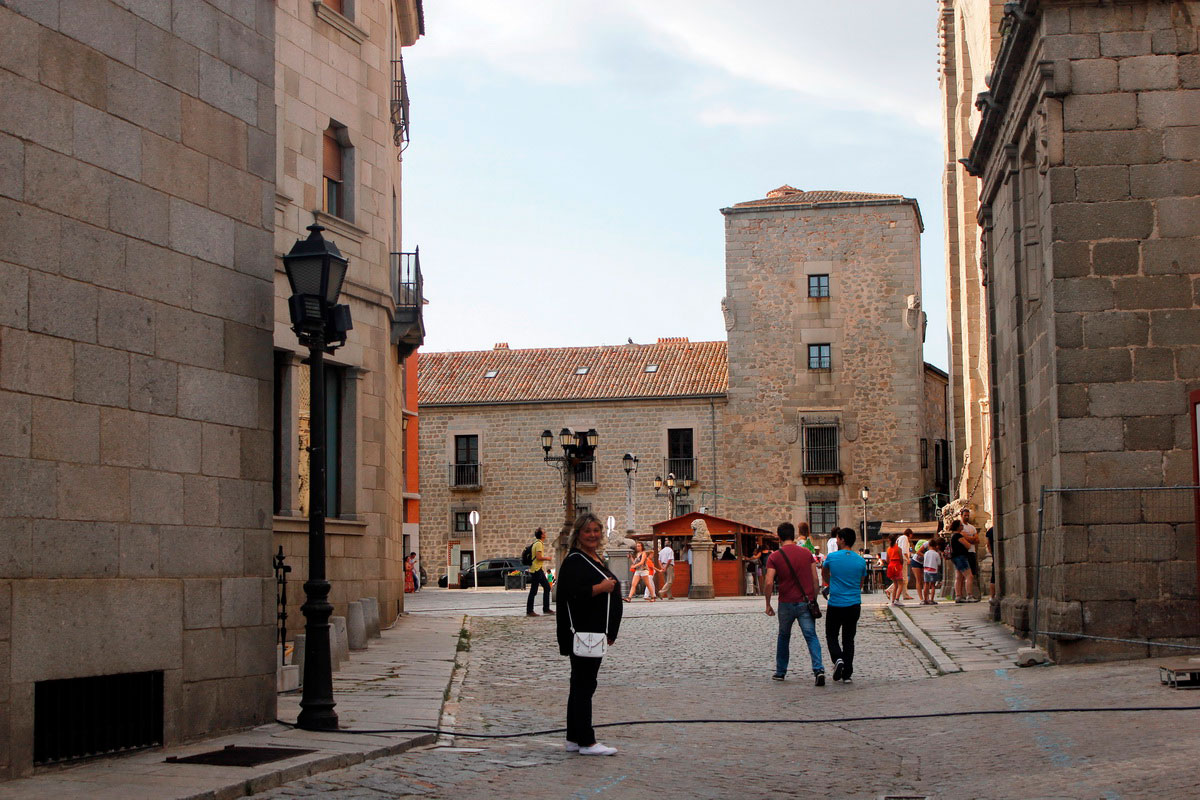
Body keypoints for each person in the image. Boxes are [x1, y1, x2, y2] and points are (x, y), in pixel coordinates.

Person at [556, 513, 623, 756]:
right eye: (588, 531)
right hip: (584, 633)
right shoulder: (575, 561)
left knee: (581, 685)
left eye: (596, 530)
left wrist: (611, 630)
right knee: (584, 686)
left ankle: (574, 737)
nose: (593, 535)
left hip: (595, 632)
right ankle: (587, 741)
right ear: (578, 534)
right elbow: (573, 594)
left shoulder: (594, 558)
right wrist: (602, 587)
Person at [763, 522, 825, 685]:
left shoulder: (775, 557)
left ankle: (780, 671)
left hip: (786, 602)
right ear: (793, 535)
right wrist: (813, 599)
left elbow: (769, 582)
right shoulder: (806, 554)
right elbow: (815, 579)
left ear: (779, 537)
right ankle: (818, 669)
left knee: (784, 636)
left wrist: (768, 603)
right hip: (805, 602)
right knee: (811, 636)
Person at [822, 527, 867, 683]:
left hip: (836, 603)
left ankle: (838, 659)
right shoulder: (860, 560)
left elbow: (824, 574)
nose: (836, 541)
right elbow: (860, 583)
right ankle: (847, 673)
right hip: (853, 604)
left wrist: (831, 583)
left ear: (842, 539)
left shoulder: (832, 557)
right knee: (848, 639)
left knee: (831, 635)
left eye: (837, 538)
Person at [526, 528, 554, 617]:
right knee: (533, 591)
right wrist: (547, 558)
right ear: (542, 535)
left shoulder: (537, 543)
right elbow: (539, 557)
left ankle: (546, 609)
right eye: (544, 532)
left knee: (547, 587)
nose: (545, 533)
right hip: (536, 570)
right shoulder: (539, 544)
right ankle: (530, 611)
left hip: (538, 569)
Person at [947, 520, 972, 602]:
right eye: (961, 525)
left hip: (955, 557)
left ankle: (958, 596)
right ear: (958, 527)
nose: (962, 526)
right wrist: (966, 538)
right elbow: (968, 546)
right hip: (961, 557)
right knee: (969, 576)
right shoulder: (958, 536)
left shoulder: (952, 536)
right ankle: (969, 595)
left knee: (959, 577)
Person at [960, 508, 981, 600]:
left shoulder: (972, 527)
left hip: (972, 552)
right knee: (964, 575)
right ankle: (964, 594)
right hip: (964, 553)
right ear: (961, 516)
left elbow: (977, 540)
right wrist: (971, 538)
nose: (967, 517)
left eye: (968, 515)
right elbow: (965, 538)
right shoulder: (960, 527)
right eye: (965, 515)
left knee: (972, 573)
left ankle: (970, 593)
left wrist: (969, 538)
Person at [921, 538, 944, 605]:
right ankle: (931, 599)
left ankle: (925, 599)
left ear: (929, 545)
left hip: (926, 570)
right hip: (933, 570)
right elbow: (939, 563)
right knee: (933, 585)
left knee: (926, 584)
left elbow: (924, 561)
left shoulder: (926, 553)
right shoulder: (936, 554)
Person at [885, 533, 905, 606]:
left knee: (895, 584)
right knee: (901, 584)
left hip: (891, 565)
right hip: (897, 565)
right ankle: (897, 599)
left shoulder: (888, 549)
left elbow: (887, 560)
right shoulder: (898, 549)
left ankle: (893, 601)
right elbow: (901, 559)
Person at [896, 528, 913, 600]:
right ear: (910, 534)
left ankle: (905, 594)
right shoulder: (905, 538)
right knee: (904, 577)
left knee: (902, 577)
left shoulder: (899, 538)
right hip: (903, 559)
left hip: (899, 559)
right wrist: (908, 558)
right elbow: (904, 550)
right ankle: (904, 594)